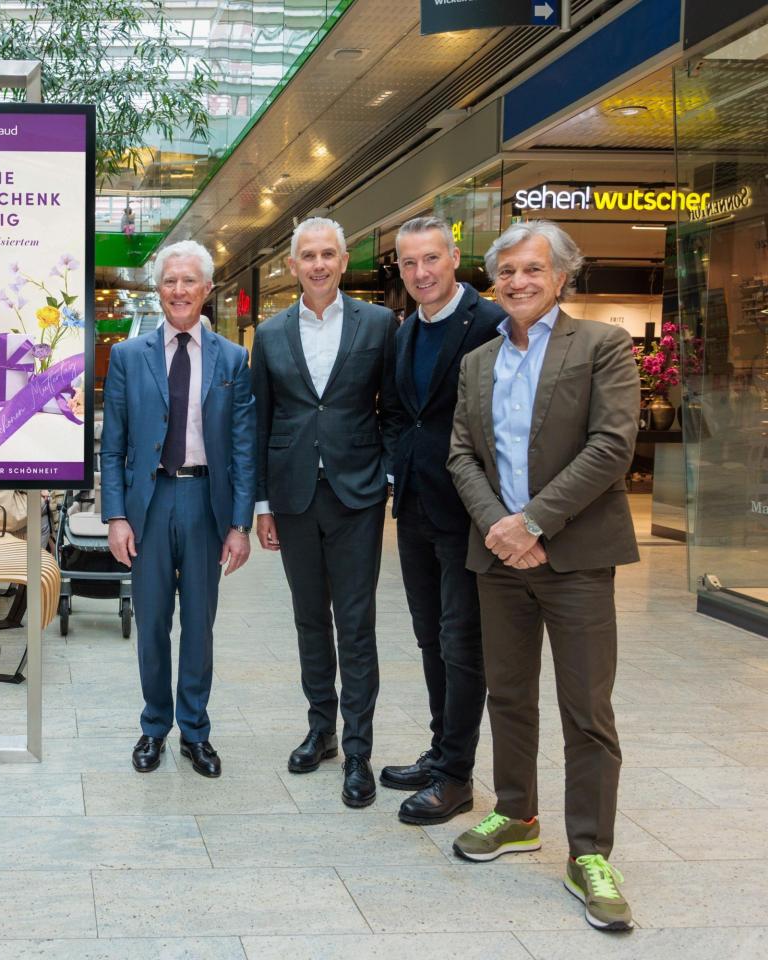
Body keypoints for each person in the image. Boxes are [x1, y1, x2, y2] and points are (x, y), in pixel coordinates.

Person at [446, 219, 640, 932]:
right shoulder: (478, 361)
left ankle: (590, 852)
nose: (518, 281)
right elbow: (461, 453)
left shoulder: (601, 345)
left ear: (562, 276)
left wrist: (532, 523)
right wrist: (500, 526)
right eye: (506, 271)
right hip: (498, 558)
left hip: (575, 557)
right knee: (508, 693)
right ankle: (516, 813)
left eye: (533, 269)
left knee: (586, 708)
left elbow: (612, 446)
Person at [251, 216, 400, 808]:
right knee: (309, 618)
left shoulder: (379, 324)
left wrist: (386, 474)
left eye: (328, 254)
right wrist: (263, 503)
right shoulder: (269, 334)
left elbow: (395, 407)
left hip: (357, 495)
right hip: (292, 497)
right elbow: (262, 421)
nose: (318, 264)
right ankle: (322, 730)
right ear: (292, 266)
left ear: (343, 260)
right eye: (307, 255)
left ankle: (359, 749)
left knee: (356, 623)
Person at [101, 240, 254, 778]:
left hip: (206, 503)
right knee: (151, 621)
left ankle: (195, 730)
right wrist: (116, 516)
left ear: (207, 289)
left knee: (199, 624)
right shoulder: (128, 356)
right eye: (170, 281)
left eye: (189, 281)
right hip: (150, 502)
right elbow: (113, 445)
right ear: (158, 289)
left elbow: (243, 447)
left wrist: (240, 524)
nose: (179, 290)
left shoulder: (232, 359)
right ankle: (153, 726)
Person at [379, 216, 505, 825]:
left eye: (431, 259)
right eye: (409, 263)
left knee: (461, 642)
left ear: (455, 257)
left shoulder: (490, 323)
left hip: (468, 512)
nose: (421, 272)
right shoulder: (405, 330)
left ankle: (456, 777)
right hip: (414, 509)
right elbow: (399, 414)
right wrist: (395, 469)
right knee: (430, 637)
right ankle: (440, 751)